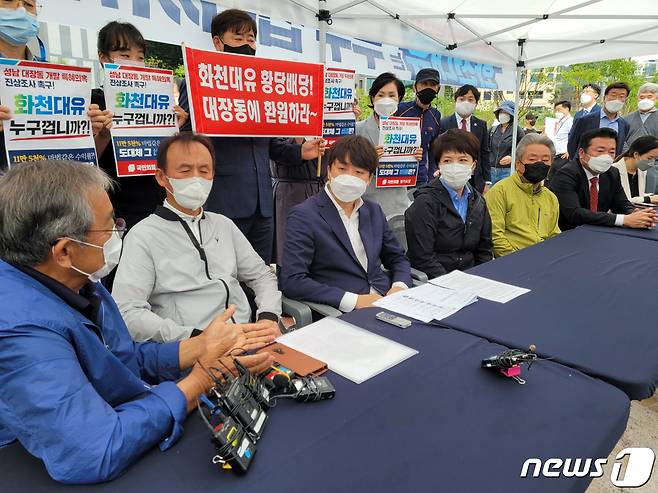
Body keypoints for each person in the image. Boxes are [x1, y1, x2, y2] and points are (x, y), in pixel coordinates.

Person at [0, 159, 274, 484]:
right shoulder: (18, 329)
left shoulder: (79, 279)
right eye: (109, 226)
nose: (118, 233)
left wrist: (196, 347)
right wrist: (198, 382)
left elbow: (119, 358)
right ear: (63, 251)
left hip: (121, 415)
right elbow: (92, 451)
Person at [178, 9, 325, 263]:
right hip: (222, 203)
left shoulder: (263, 87)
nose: (248, 45)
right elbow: (185, 140)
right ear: (217, 42)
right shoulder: (196, 82)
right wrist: (182, 126)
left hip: (263, 206)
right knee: (224, 273)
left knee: (260, 273)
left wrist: (301, 151)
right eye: (238, 38)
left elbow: (271, 147)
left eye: (251, 39)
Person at [112, 133, 282, 343]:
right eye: (185, 171)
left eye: (204, 171)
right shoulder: (143, 236)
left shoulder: (223, 225)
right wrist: (195, 338)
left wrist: (268, 317)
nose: (196, 178)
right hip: (190, 349)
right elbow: (128, 312)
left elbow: (262, 275)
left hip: (246, 338)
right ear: (161, 177)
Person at [281, 135, 412, 311]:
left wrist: (399, 287)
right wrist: (354, 300)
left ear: (369, 178)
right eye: (342, 168)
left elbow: (397, 258)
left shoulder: (373, 211)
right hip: (340, 311)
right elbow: (293, 280)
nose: (349, 177)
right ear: (329, 170)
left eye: (359, 172)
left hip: (386, 299)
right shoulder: (304, 215)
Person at [92, 21, 188, 231]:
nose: (134, 62)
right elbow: (84, 165)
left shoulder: (158, 101)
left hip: (157, 204)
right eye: (124, 55)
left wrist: (174, 130)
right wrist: (103, 135)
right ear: (103, 57)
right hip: (116, 210)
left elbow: (167, 158)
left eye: (140, 57)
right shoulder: (94, 102)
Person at [0, 0, 112, 172]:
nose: (21, 10)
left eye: (28, 4)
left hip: (52, 191)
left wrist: (91, 131)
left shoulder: (57, 80)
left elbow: (79, 161)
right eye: (8, 1)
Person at [405, 129, 493, 278]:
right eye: (447, 160)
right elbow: (422, 258)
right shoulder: (425, 203)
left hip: (471, 278)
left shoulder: (478, 202)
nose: (455, 166)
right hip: (435, 282)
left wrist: (480, 278)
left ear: (474, 165)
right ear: (439, 165)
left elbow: (484, 250)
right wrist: (452, 284)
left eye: (463, 160)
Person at [550, 127, 658, 231]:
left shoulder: (612, 173)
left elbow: (622, 204)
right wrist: (624, 220)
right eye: (600, 151)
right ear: (582, 153)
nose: (606, 157)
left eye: (611, 152)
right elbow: (574, 213)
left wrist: (636, 213)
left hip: (600, 231)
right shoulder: (566, 174)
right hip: (570, 233)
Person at [357, 72, 422, 218]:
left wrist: (414, 157)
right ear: (373, 98)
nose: (386, 100)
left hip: (398, 205)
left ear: (399, 99)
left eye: (392, 95)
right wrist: (368, 157)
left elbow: (407, 170)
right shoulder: (358, 129)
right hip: (367, 204)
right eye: (381, 95)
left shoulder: (408, 129)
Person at [484, 133, 561, 257]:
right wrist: (520, 260)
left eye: (545, 160)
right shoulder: (500, 191)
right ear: (518, 164)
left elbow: (554, 235)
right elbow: (495, 236)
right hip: (513, 262)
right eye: (532, 159)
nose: (539, 164)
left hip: (545, 261)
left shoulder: (551, 198)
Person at [271, 137, 325, 266]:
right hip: (289, 192)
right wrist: (299, 145)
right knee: (290, 249)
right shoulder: (279, 124)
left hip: (322, 189)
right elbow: (274, 149)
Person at [438, 84, 491, 193]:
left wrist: (487, 181)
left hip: (475, 179)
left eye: (470, 99)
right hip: (452, 177)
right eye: (462, 99)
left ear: (476, 104)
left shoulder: (481, 125)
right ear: (456, 101)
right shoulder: (444, 123)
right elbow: (439, 151)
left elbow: (485, 153)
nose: (466, 102)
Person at [396, 68, 442, 186]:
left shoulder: (436, 115)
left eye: (432, 85)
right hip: (396, 174)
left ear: (438, 88)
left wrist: (432, 175)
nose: (428, 88)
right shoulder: (399, 109)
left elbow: (433, 149)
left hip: (421, 178)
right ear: (414, 87)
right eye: (424, 84)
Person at [567, 82, 631, 159]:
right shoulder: (584, 120)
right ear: (604, 98)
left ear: (625, 100)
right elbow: (572, 145)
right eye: (613, 95)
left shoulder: (624, 125)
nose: (616, 100)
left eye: (621, 96)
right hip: (585, 165)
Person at [623, 83, 658, 193]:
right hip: (629, 162)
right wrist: (628, 155)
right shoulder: (627, 118)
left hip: (653, 164)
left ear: (656, 98)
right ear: (637, 99)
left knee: (649, 195)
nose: (645, 99)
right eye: (642, 97)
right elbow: (621, 139)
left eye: (649, 96)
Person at [612, 136, 658, 204]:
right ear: (636, 154)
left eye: (655, 159)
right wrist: (647, 199)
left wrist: (652, 197)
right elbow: (619, 202)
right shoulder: (613, 171)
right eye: (649, 158)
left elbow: (638, 196)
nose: (652, 163)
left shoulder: (641, 171)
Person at [488, 100, 524, 186]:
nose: (502, 115)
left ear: (512, 115)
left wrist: (513, 158)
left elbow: (523, 149)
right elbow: (485, 148)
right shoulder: (492, 130)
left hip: (507, 171)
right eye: (501, 112)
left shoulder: (517, 131)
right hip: (491, 170)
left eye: (505, 112)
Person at [546, 100, 574, 186]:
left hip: (563, 157)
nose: (557, 112)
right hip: (555, 155)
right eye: (555, 110)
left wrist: (569, 151)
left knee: (558, 181)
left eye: (559, 109)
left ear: (567, 109)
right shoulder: (559, 122)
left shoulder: (570, 121)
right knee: (550, 180)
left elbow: (574, 137)